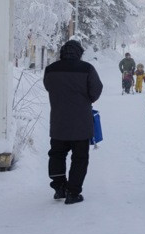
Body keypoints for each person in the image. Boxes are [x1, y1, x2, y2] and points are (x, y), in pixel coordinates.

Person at [43, 39, 103, 205]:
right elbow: (96, 91)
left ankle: (59, 187)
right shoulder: (87, 69)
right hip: (81, 123)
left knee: (56, 154)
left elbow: (48, 87)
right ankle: (73, 192)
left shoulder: (50, 70)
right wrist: (85, 99)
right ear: (79, 53)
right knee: (80, 158)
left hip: (58, 121)